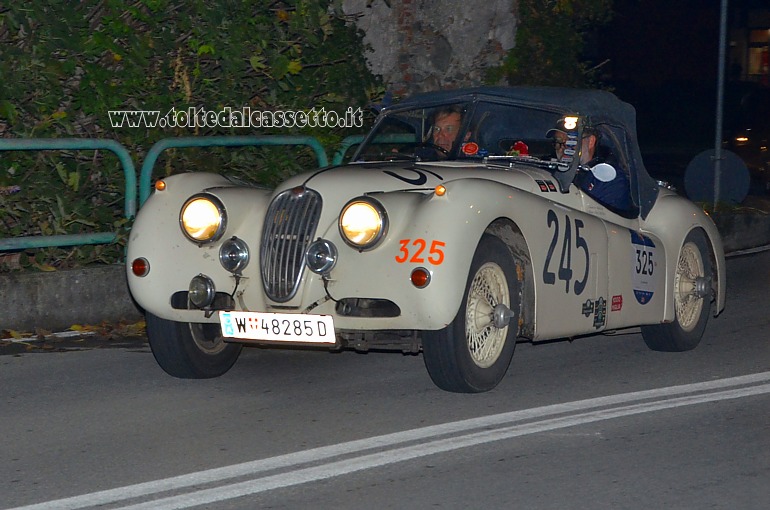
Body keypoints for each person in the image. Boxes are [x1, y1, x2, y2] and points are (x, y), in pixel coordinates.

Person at [546, 119, 632, 211]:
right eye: (558, 142)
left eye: (571, 142)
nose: (562, 148)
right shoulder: (550, 171)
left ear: (591, 141)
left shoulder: (608, 178)